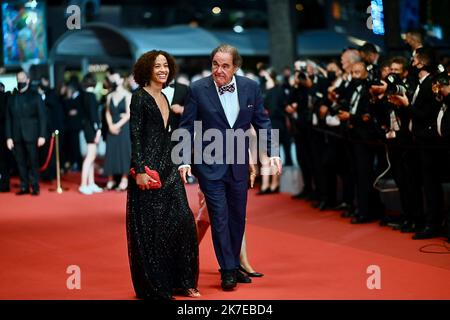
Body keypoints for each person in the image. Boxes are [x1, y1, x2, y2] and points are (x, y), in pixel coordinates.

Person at [178, 44, 282, 291]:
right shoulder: (197, 89)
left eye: (225, 65)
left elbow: (263, 123)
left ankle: (234, 264)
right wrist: (182, 159)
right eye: (215, 64)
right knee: (220, 217)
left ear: (235, 66)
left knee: (237, 218)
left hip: (238, 164)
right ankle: (227, 271)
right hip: (208, 164)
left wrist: (274, 152)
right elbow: (186, 126)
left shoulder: (251, 87)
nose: (219, 70)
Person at [126, 50, 200, 300]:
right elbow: (135, 137)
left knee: (183, 220)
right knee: (152, 229)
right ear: (147, 69)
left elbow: (167, 135)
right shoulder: (139, 98)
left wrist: (180, 161)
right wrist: (138, 170)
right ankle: (158, 286)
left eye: (166, 66)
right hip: (149, 169)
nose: (163, 70)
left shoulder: (165, 97)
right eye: (158, 66)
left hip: (168, 165)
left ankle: (184, 280)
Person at [5, 70, 47, 195]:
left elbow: (42, 117)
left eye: (22, 79)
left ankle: (35, 186)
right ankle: (24, 186)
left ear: (28, 80)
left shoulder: (35, 96)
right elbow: (8, 118)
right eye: (18, 79)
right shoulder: (11, 97)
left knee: (33, 161)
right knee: (20, 162)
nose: (20, 81)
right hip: (16, 135)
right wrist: (9, 137)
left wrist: (42, 135)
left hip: (32, 134)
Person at [103, 73, 132, 191]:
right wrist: (110, 125)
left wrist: (117, 125)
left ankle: (124, 180)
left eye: (116, 78)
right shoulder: (110, 96)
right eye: (112, 78)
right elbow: (107, 112)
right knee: (111, 152)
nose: (113, 80)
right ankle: (111, 180)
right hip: (112, 126)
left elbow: (129, 114)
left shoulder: (128, 95)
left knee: (124, 152)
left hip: (123, 127)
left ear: (121, 79)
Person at [78, 73, 103, 195]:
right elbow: (94, 116)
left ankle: (91, 183)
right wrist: (98, 129)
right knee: (90, 157)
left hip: (86, 127)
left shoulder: (82, 95)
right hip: (92, 129)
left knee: (91, 157)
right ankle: (83, 184)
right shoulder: (91, 96)